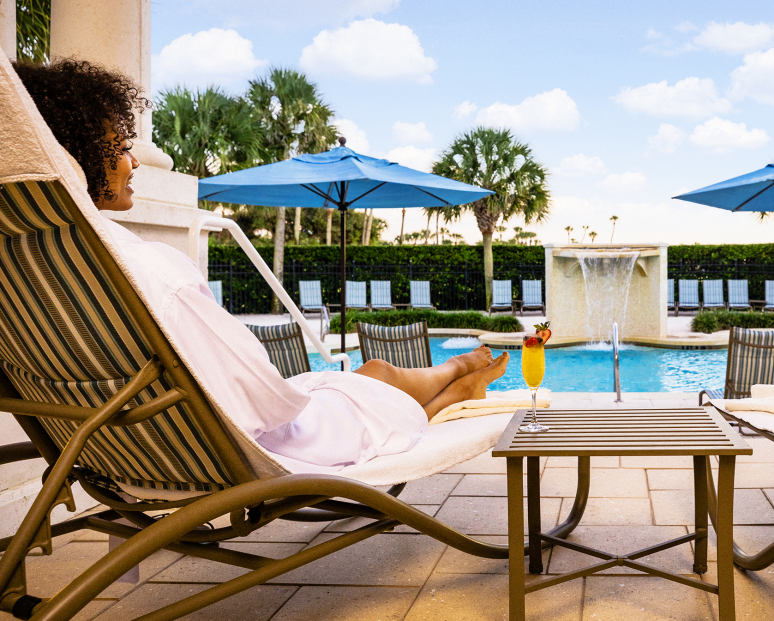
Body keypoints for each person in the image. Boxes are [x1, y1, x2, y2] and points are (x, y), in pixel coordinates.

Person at [13, 58, 509, 474]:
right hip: (250, 452)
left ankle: (457, 384)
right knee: (372, 378)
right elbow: (268, 399)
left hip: (129, 452)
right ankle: (458, 372)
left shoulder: (26, 266)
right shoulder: (150, 271)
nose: (135, 162)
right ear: (77, 151)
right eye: (122, 148)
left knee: (365, 378)